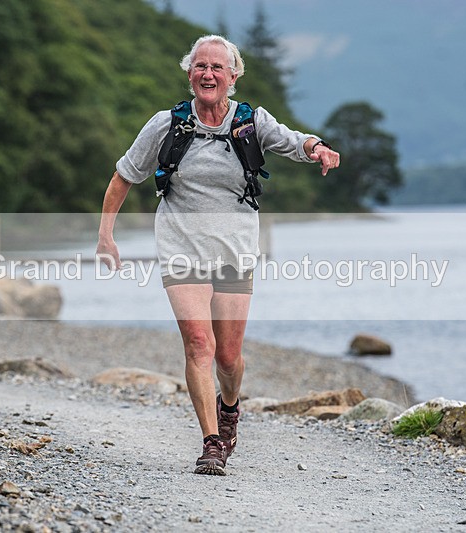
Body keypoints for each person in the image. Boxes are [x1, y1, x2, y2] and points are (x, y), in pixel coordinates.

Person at [96, 35, 340, 475]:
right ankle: (211, 442)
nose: (208, 74)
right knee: (198, 344)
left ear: (233, 76)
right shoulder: (166, 125)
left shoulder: (250, 122)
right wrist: (106, 236)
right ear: (189, 74)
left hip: (235, 248)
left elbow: (292, 141)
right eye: (200, 67)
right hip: (180, 246)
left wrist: (317, 148)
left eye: (217, 68)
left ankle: (230, 408)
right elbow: (123, 176)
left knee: (228, 356)